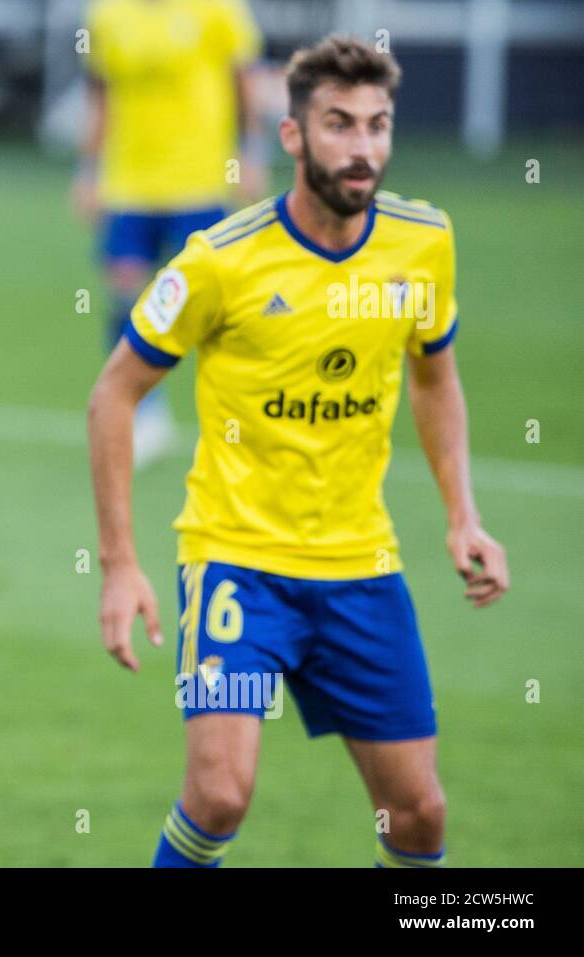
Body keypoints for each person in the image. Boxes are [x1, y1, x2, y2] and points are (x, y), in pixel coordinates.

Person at [87, 35, 509, 867]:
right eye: (340, 124)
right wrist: (120, 562)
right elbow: (115, 393)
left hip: (360, 564)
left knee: (417, 814)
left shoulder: (423, 242)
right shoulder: (221, 259)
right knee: (218, 794)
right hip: (236, 558)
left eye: (378, 125)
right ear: (292, 136)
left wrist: (464, 517)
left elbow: (435, 379)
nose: (362, 148)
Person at [75, 0, 266, 466]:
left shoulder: (219, 9)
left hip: (199, 183)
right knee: (126, 298)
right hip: (129, 184)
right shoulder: (106, 14)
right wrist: (88, 169)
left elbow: (244, 83)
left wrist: (252, 153)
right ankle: (146, 414)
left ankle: (236, 418)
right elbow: (100, 95)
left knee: (215, 309)